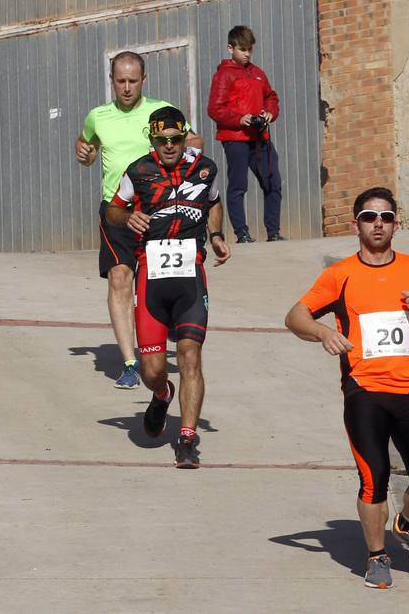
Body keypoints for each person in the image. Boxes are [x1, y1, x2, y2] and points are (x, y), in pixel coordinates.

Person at [285, 187, 409, 590]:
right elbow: (295, 316)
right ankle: (377, 556)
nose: (378, 224)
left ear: (396, 223)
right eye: (368, 216)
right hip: (364, 391)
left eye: (385, 217)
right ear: (356, 224)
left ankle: (408, 525)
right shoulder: (339, 275)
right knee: (373, 478)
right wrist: (322, 332)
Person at [106, 106, 230, 468]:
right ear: (152, 139)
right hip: (152, 276)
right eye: (162, 140)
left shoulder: (205, 168)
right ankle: (161, 394)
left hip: (191, 275)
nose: (170, 146)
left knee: (191, 355)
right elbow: (112, 209)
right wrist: (129, 216)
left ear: (184, 137)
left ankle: (187, 438)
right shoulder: (138, 171)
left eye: (176, 139)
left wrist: (218, 235)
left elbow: (214, 202)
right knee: (152, 368)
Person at [76, 51, 201, 390]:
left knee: (156, 282)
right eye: (120, 81)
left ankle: (162, 335)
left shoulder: (161, 112)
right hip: (117, 210)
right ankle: (130, 362)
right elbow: (85, 145)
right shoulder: (98, 117)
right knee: (119, 278)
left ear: (144, 80)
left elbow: (192, 140)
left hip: (159, 212)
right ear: (111, 80)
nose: (127, 88)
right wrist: (84, 154)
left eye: (133, 81)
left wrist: (190, 156)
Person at [206, 24, 283, 243]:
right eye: (243, 49)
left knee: (273, 183)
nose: (247, 54)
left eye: (250, 49)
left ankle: (274, 232)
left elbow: (271, 97)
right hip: (236, 139)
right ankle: (242, 234)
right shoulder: (223, 75)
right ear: (230, 48)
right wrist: (239, 119)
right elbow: (215, 108)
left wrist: (270, 113)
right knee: (239, 186)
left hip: (260, 137)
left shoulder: (258, 73)